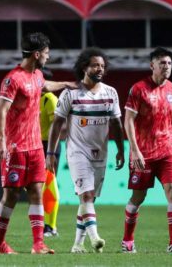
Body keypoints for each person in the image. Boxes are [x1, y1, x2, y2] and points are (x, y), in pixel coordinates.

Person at [0, 32, 77, 254]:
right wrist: (0, 141)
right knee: (11, 195)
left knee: (37, 191)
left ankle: (38, 244)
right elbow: (1, 110)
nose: (48, 57)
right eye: (46, 54)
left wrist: (66, 83)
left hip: (36, 147)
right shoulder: (13, 79)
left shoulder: (37, 75)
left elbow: (45, 84)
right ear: (37, 54)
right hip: (15, 147)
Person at [45, 48, 124, 254]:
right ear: (84, 68)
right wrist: (51, 153)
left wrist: (121, 150)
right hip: (77, 152)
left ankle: (77, 244)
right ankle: (95, 237)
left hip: (101, 153)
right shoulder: (70, 94)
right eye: (95, 65)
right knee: (87, 195)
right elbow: (57, 124)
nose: (100, 69)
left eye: (102, 66)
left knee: (88, 200)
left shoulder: (111, 93)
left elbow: (116, 124)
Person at [121, 47, 172, 253]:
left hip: (167, 150)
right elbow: (128, 121)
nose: (166, 67)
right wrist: (135, 150)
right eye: (162, 63)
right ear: (152, 65)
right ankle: (127, 240)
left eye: (169, 63)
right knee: (138, 198)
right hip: (143, 153)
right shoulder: (139, 89)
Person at [39, 68, 60, 237]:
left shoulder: (50, 99)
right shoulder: (32, 99)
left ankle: (51, 227)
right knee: (36, 187)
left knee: (49, 185)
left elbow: (57, 126)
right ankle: (42, 223)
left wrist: (50, 152)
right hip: (34, 145)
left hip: (49, 146)